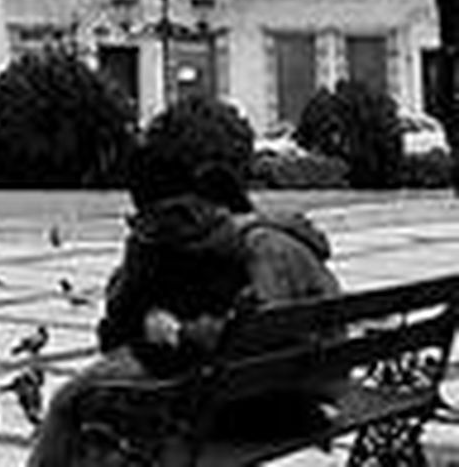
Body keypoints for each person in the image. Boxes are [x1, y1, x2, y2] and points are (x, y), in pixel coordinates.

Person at [27, 148, 339, 466]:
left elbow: (117, 326)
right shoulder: (230, 233)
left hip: (175, 379)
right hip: (224, 377)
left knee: (65, 403)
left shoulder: (151, 235)